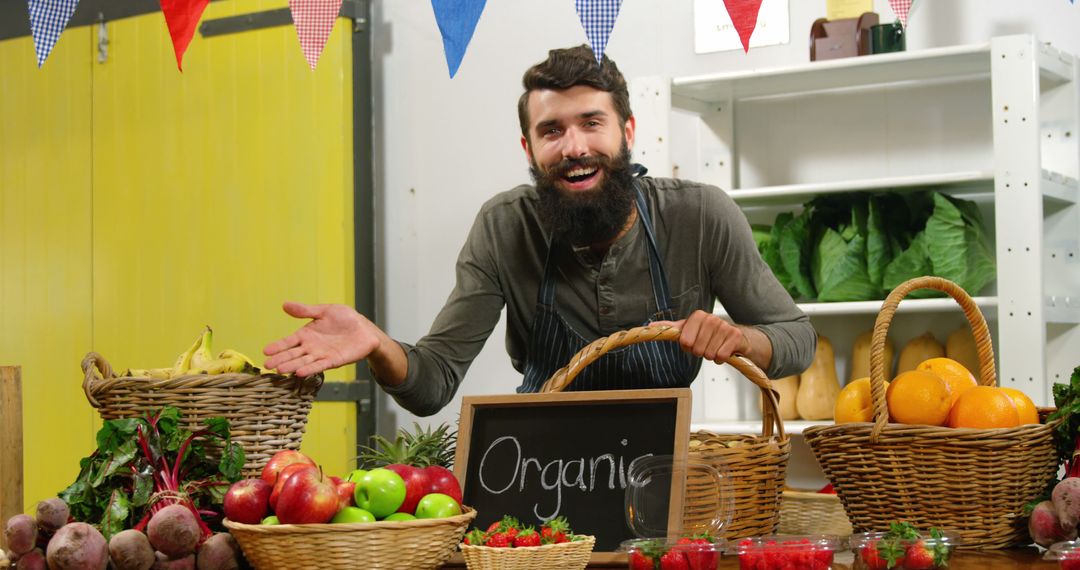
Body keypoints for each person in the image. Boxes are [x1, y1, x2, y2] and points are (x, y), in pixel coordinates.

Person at [264, 45, 816, 416]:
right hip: (539, 474)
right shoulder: (505, 228)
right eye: (552, 131)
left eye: (592, 124)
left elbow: (798, 339)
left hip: (662, 471)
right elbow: (432, 383)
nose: (574, 147)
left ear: (627, 131)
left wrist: (744, 339)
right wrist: (378, 344)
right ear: (528, 148)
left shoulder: (700, 216)